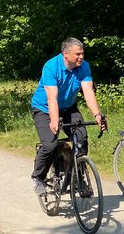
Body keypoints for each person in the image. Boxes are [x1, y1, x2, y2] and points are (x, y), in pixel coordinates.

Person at [31, 37, 106, 195]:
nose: (81, 57)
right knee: (50, 144)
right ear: (66, 54)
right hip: (44, 109)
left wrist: (97, 114)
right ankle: (38, 177)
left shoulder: (84, 67)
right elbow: (52, 97)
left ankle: (79, 178)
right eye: (77, 54)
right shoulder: (51, 67)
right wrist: (53, 120)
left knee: (81, 137)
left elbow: (88, 92)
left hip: (68, 108)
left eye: (82, 53)